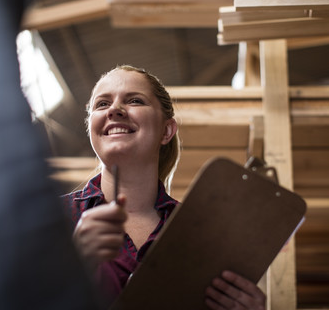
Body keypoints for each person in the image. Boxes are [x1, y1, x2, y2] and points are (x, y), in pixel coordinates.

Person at [61, 65, 266, 309]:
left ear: (166, 131)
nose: (114, 109)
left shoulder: (201, 235)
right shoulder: (52, 219)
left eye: (135, 100)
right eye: (102, 104)